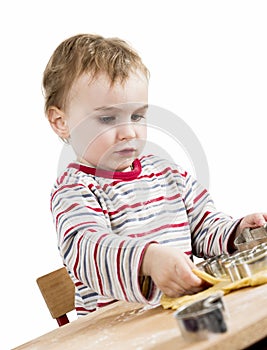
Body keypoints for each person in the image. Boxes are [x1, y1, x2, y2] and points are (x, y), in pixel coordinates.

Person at [43, 33, 267, 316]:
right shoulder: (74, 191)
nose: (129, 132)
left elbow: (204, 227)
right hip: (119, 334)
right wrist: (147, 259)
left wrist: (238, 232)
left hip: (182, 315)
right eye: (107, 118)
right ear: (61, 122)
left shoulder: (168, 174)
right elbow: (88, 251)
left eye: (137, 116)